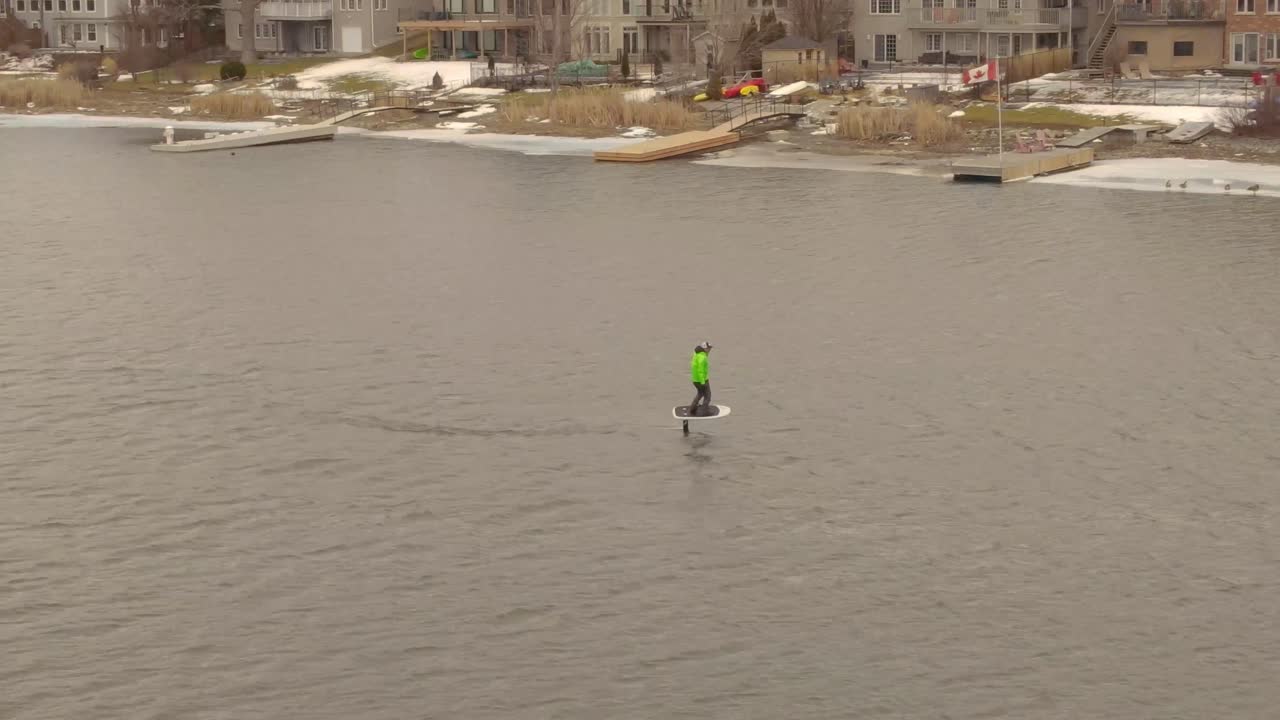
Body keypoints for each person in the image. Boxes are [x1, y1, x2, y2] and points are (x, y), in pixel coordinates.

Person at [688, 341, 712, 416]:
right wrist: (703, 382)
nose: (710, 350)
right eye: (709, 348)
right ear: (705, 349)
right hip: (702, 380)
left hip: (695, 380)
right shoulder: (703, 357)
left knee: (700, 393)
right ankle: (704, 412)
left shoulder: (696, 354)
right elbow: (700, 371)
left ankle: (692, 408)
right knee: (707, 395)